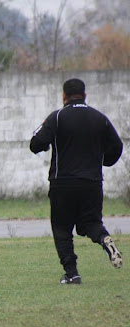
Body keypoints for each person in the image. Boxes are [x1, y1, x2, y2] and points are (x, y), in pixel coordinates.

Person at [30, 78, 124, 284]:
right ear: (85, 95)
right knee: (91, 223)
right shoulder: (101, 119)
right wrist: (104, 161)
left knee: (62, 228)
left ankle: (72, 273)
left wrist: (45, 146)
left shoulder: (57, 117)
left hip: (63, 184)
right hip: (92, 183)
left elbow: (35, 143)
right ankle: (104, 239)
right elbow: (117, 146)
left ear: (64, 96)